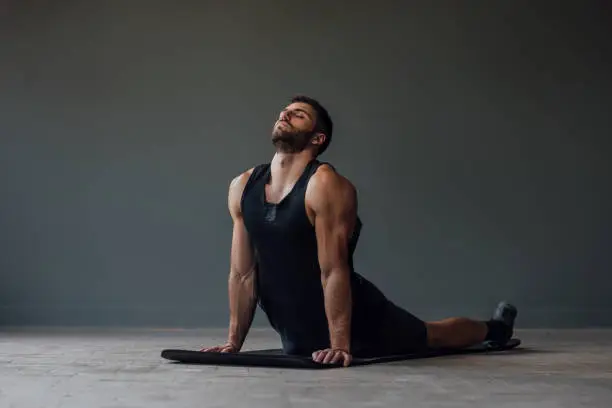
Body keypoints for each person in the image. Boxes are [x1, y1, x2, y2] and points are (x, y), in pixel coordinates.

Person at [201, 95, 518, 367]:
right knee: (296, 335)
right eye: (284, 111)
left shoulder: (324, 185)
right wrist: (233, 344)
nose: (285, 114)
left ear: (317, 138)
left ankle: (494, 329)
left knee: (431, 335)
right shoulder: (242, 186)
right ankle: (491, 329)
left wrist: (340, 344)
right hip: (293, 322)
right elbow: (242, 274)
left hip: (358, 318)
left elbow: (333, 271)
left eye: (299, 115)